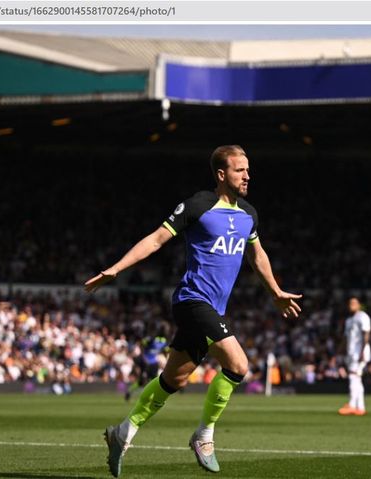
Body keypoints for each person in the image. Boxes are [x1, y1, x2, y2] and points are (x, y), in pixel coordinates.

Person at [84, 145, 302, 476]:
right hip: (192, 300)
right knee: (238, 365)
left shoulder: (248, 214)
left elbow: (257, 256)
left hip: (212, 308)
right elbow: (157, 239)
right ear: (221, 174)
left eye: (248, 169)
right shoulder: (198, 205)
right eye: (240, 170)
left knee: (174, 379)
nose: (247, 175)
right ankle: (204, 436)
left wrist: (274, 291)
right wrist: (117, 268)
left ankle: (122, 432)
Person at [338, 297, 371, 416]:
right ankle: (360, 407)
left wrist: (362, 351)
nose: (351, 305)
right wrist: (339, 352)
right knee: (357, 379)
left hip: (359, 352)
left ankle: (352, 405)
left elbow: (366, 333)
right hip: (351, 353)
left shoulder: (363, 316)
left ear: (359, 305)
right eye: (350, 303)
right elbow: (346, 338)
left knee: (353, 376)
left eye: (354, 303)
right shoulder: (349, 320)